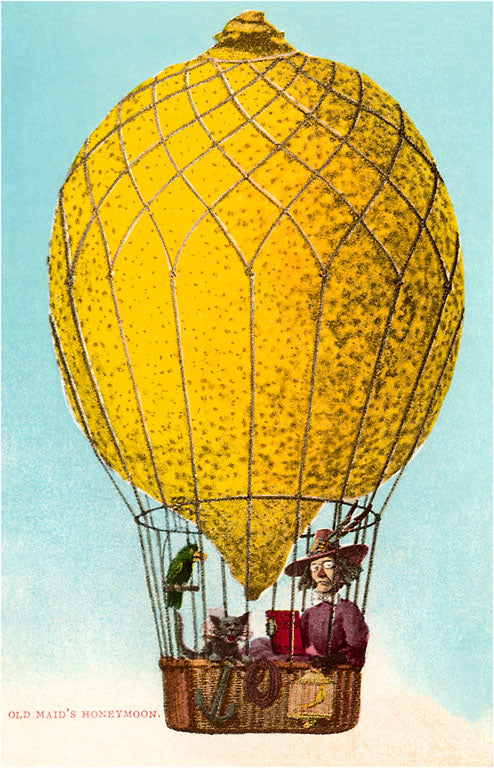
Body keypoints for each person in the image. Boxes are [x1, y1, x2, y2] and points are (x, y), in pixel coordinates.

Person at [251, 529, 370, 667]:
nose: (320, 573)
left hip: (324, 668)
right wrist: (276, 634)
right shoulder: (310, 612)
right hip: (303, 662)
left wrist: (329, 661)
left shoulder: (347, 609)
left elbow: (356, 649)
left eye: (328, 566)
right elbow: (296, 646)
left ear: (341, 570)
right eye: (315, 567)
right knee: (258, 644)